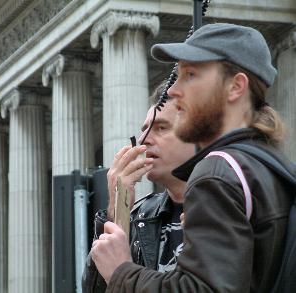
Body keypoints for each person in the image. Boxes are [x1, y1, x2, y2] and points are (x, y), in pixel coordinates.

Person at [90, 23, 295, 292]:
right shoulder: (270, 167)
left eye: (191, 75)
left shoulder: (216, 173)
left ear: (235, 87)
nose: (174, 90)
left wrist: (121, 271)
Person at [82, 83, 196, 292]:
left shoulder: (226, 205)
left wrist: (122, 272)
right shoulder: (141, 215)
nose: (144, 140)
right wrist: (118, 212)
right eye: (144, 130)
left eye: (161, 128)